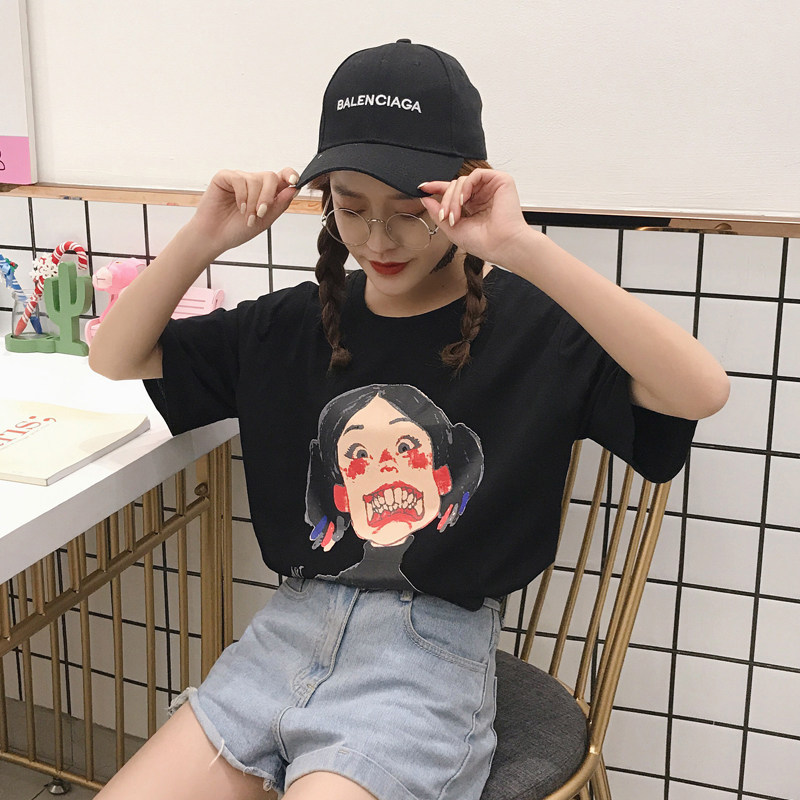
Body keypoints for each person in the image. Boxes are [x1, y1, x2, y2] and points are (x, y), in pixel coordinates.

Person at [89, 38, 729, 800]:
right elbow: (115, 357)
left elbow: (701, 390)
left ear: (463, 192)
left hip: (426, 661)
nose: (378, 240)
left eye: (408, 212)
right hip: (282, 641)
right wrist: (205, 235)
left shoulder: (531, 329)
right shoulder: (290, 326)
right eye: (351, 208)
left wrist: (521, 246)